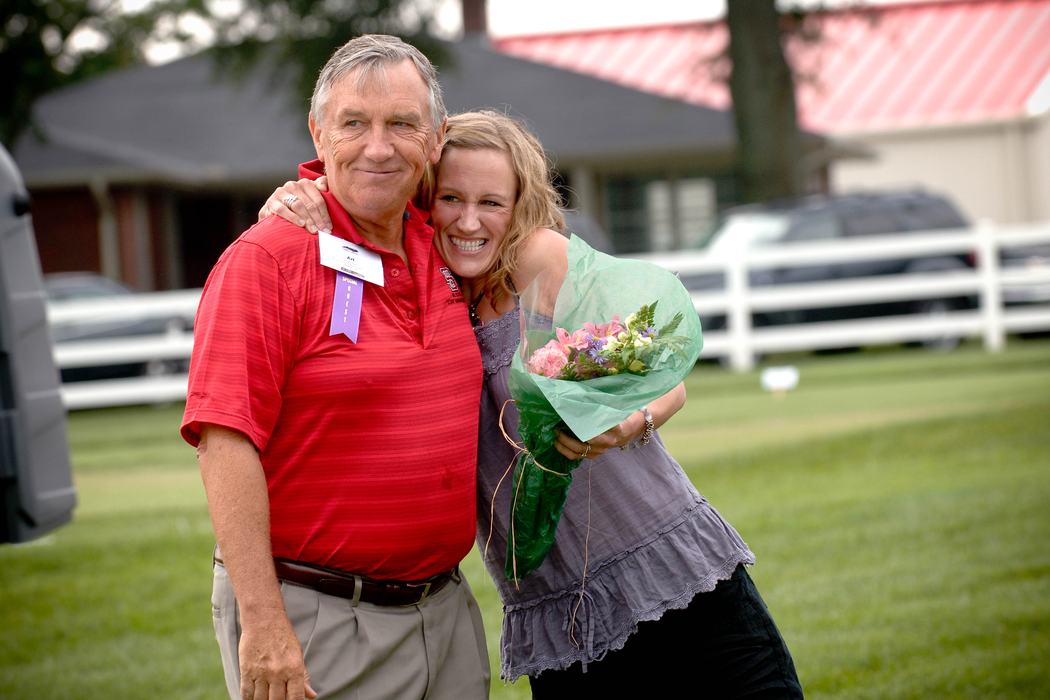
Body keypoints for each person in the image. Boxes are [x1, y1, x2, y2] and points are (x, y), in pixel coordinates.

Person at [264, 111, 804, 698]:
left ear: (520, 205)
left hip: (667, 570)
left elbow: (663, 374)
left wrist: (627, 423)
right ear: (424, 198)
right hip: (558, 614)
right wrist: (302, 197)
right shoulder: (412, 284)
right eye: (450, 198)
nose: (470, 221)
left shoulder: (541, 265)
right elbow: (358, 185)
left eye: (492, 202)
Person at [181, 36, 490, 700]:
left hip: (445, 613)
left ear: (434, 140)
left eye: (401, 125)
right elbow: (224, 441)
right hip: (317, 618)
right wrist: (263, 625)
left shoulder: (451, 247)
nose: (377, 147)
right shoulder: (266, 261)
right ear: (319, 133)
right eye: (354, 123)